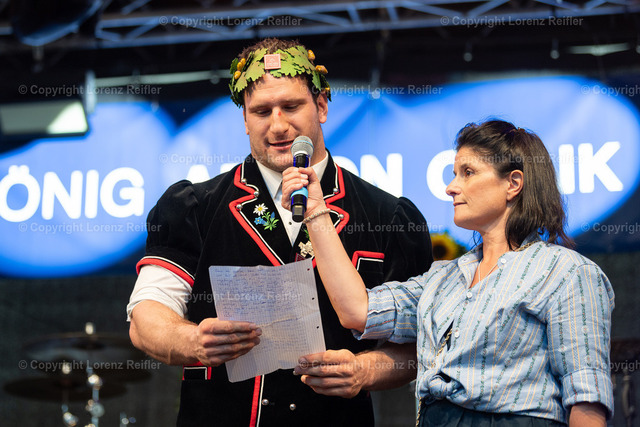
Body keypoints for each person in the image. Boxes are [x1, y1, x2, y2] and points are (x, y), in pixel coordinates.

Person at [127, 38, 433, 426]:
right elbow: (146, 318)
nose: (277, 125)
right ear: (244, 120)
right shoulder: (194, 207)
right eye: (261, 111)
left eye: (291, 106)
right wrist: (192, 341)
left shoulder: (388, 215)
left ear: (321, 106)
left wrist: (364, 370)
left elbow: (419, 344)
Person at [285, 120, 614, 426]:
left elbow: (587, 396)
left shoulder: (567, 272)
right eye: (454, 173)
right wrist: (316, 211)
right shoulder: (442, 277)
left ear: (513, 183)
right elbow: (357, 310)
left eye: (468, 172)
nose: (451, 187)